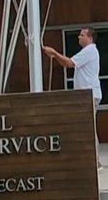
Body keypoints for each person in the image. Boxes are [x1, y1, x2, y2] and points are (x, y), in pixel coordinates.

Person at [42, 27, 102, 164]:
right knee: (86, 127)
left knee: (88, 128)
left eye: (82, 35)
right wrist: (56, 56)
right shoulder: (89, 51)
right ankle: (92, 159)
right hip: (86, 96)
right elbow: (67, 63)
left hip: (89, 95)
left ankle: (95, 161)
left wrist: (55, 53)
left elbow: (69, 63)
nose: (78, 37)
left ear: (90, 38)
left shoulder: (90, 50)